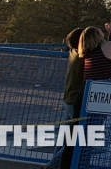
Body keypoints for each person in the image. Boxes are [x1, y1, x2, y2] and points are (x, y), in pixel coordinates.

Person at [44, 28, 83, 169]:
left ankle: (53, 163)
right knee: (75, 139)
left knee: (64, 136)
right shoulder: (83, 55)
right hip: (75, 101)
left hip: (68, 98)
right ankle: (52, 165)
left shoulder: (73, 52)